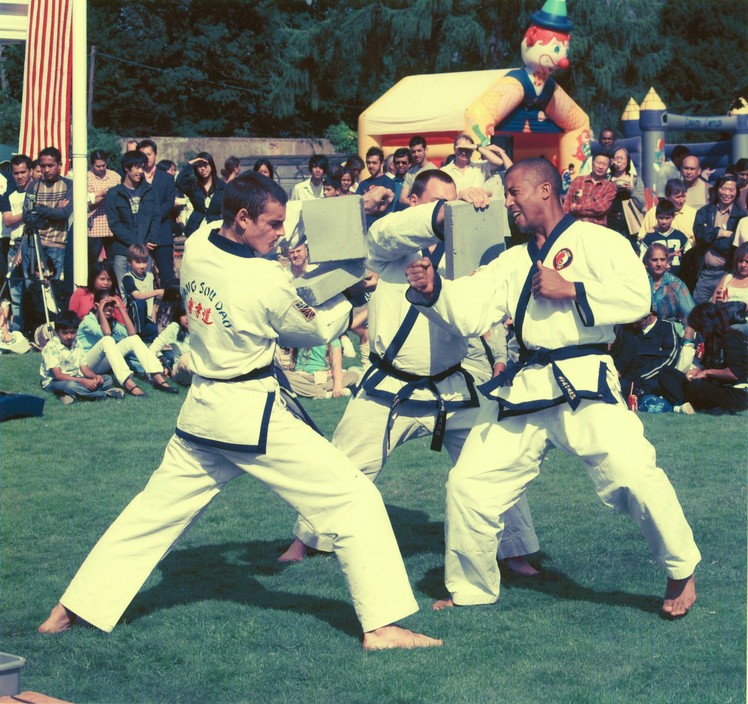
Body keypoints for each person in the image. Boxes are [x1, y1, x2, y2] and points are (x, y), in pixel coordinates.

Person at [38, 172, 441, 652]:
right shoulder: (264, 281)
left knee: (150, 515)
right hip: (248, 414)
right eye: (272, 224)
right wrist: (357, 292)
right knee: (354, 500)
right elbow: (315, 331)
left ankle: (71, 609)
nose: (279, 233)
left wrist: (359, 205)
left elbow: (272, 252)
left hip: (201, 412)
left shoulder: (204, 242)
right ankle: (383, 627)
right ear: (244, 218)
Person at [404, 157, 700, 617]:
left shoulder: (600, 242)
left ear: (544, 190)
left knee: (631, 474)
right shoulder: (510, 260)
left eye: (513, 193)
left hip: (585, 379)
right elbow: (470, 308)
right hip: (526, 386)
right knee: (469, 483)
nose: (508, 204)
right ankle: (472, 588)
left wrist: (575, 289)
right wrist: (433, 291)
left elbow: (638, 298)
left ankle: (681, 566)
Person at [279, 169, 540, 577]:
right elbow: (393, 231)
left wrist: (474, 218)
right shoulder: (386, 244)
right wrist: (443, 215)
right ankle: (306, 540)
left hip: (452, 387)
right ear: (415, 203)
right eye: (441, 205)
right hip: (390, 385)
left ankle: (513, 550)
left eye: (456, 204)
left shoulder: (463, 258)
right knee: (344, 464)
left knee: (493, 461)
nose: (452, 215)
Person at [76, 291, 177, 396]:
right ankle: (128, 383)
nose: (110, 308)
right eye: (106, 304)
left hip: (101, 364)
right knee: (108, 340)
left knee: (134, 339)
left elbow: (131, 333)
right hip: (86, 365)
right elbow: (106, 333)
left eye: (111, 305)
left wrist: (120, 308)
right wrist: (100, 310)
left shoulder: (112, 322)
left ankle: (157, 377)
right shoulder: (88, 320)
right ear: (96, 305)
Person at [659, 302, 748, 415]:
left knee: (696, 386)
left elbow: (734, 373)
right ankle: (687, 405)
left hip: (735, 392)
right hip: (714, 387)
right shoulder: (711, 342)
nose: (699, 333)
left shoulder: (732, 339)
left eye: (700, 329)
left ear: (708, 325)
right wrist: (696, 372)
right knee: (666, 373)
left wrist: (706, 373)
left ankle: (687, 404)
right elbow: (708, 368)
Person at [105, 150, 162, 289]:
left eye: (142, 167)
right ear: (126, 168)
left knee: (144, 290)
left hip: (144, 252)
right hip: (122, 251)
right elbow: (114, 224)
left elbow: (156, 217)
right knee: (123, 290)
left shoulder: (150, 191)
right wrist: (137, 244)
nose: (140, 171)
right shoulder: (113, 194)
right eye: (137, 167)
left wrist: (150, 240)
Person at [40, 310, 120, 404]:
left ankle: (72, 396)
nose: (69, 336)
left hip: (75, 378)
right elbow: (58, 375)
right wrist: (83, 381)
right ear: (56, 332)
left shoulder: (76, 343)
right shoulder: (51, 347)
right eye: (65, 333)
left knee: (107, 379)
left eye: (72, 332)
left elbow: (84, 368)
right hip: (55, 382)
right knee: (70, 386)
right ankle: (102, 395)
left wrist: (95, 377)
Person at [691, 174, 747, 303]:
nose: (727, 193)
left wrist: (709, 234)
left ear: (737, 192)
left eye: (731, 190)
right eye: (723, 188)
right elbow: (699, 235)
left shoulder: (741, 217)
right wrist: (719, 232)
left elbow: (732, 246)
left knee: (722, 313)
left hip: (727, 273)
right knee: (699, 310)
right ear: (717, 189)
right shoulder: (704, 212)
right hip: (705, 273)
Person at [22, 146, 73, 281]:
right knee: (31, 287)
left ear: (59, 165)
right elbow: (26, 215)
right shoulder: (34, 186)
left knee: (53, 286)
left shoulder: (68, 185)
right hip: (33, 243)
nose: (46, 170)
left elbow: (64, 213)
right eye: (43, 166)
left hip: (56, 244)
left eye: (50, 165)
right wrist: (53, 211)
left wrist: (39, 209)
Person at [137, 139, 177, 286]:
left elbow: (169, 202)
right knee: (142, 278)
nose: (146, 158)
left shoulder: (166, 178)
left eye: (149, 154)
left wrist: (154, 216)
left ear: (155, 155)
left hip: (162, 233)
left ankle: (169, 306)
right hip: (141, 234)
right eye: (143, 154)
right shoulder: (134, 177)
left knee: (167, 276)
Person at [1, 155, 33, 332]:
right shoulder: (9, 195)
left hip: (32, 246)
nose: (20, 176)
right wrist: (26, 214)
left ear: (29, 172)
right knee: (15, 293)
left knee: (31, 290)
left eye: (23, 172)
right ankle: (18, 330)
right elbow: (7, 220)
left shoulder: (36, 191)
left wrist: (23, 217)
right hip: (14, 245)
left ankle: (32, 329)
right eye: (16, 173)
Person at [644, 243, 695, 338]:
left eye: (662, 260)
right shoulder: (639, 282)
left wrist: (688, 343)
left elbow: (690, 317)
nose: (659, 264)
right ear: (647, 262)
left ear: (667, 261)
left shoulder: (676, 284)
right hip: (643, 331)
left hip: (670, 332)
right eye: (654, 260)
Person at [176, 152, 225, 237]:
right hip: (195, 227)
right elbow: (179, 182)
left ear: (212, 166)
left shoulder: (222, 186)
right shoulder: (193, 186)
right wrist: (191, 163)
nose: (203, 169)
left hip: (215, 227)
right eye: (199, 166)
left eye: (206, 165)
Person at [121, 243, 163, 342]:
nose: (142, 266)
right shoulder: (128, 278)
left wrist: (153, 322)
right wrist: (157, 291)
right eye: (138, 262)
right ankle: (137, 334)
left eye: (144, 262)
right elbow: (137, 296)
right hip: (131, 318)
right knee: (140, 302)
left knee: (154, 330)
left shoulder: (150, 277)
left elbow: (153, 303)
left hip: (146, 319)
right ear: (130, 263)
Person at [563, 150, 617, 226]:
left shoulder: (610, 187)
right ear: (592, 163)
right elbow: (566, 205)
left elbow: (600, 208)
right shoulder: (578, 181)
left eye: (604, 164)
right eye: (598, 163)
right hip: (574, 227)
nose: (601, 167)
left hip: (597, 229)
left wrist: (576, 208)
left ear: (608, 167)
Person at [86, 149, 121, 265]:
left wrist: (99, 194)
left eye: (103, 165)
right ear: (92, 165)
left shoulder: (115, 176)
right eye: (98, 166)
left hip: (111, 226)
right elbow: (86, 202)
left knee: (113, 260)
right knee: (92, 260)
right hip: (94, 228)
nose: (101, 168)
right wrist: (104, 194)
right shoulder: (86, 178)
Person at [638, 199, 690, 277]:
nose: (664, 222)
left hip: (678, 277)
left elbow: (689, 257)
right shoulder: (650, 237)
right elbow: (642, 259)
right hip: (655, 278)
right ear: (656, 217)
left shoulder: (680, 236)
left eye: (667, 218)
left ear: (673, 217)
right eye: (661, 218)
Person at [638, 178, 696, 245]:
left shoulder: (693, 214)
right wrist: (649, 235)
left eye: (683, 196)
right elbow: (641, 238)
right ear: (667, 197)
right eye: (678, 197)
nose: (681, 200)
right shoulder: (653, 212)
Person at [68, 260, 127, 327]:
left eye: (109, 280)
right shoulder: (80, 293)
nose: (106, 283)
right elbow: (71, 320)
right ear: (93, 279)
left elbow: (123, 323)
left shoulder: (115, 298)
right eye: (102, 279)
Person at [150, 295, 191, 386]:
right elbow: (154, 347)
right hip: (181, 372)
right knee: (186, 359)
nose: (187, 318)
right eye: (184, 314)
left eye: (190, 314)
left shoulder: (201, 330)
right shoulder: (175, 328)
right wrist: (155, 368)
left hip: (199, 371)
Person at [607, 146, 645, 240]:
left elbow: (641, 204)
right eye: (616, 158)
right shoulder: (606, 179)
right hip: (610, 222)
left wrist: (631, 190)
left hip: (629, 224)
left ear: (627, 161)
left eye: (622, 158)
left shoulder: (635, 179)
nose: (619, 161)